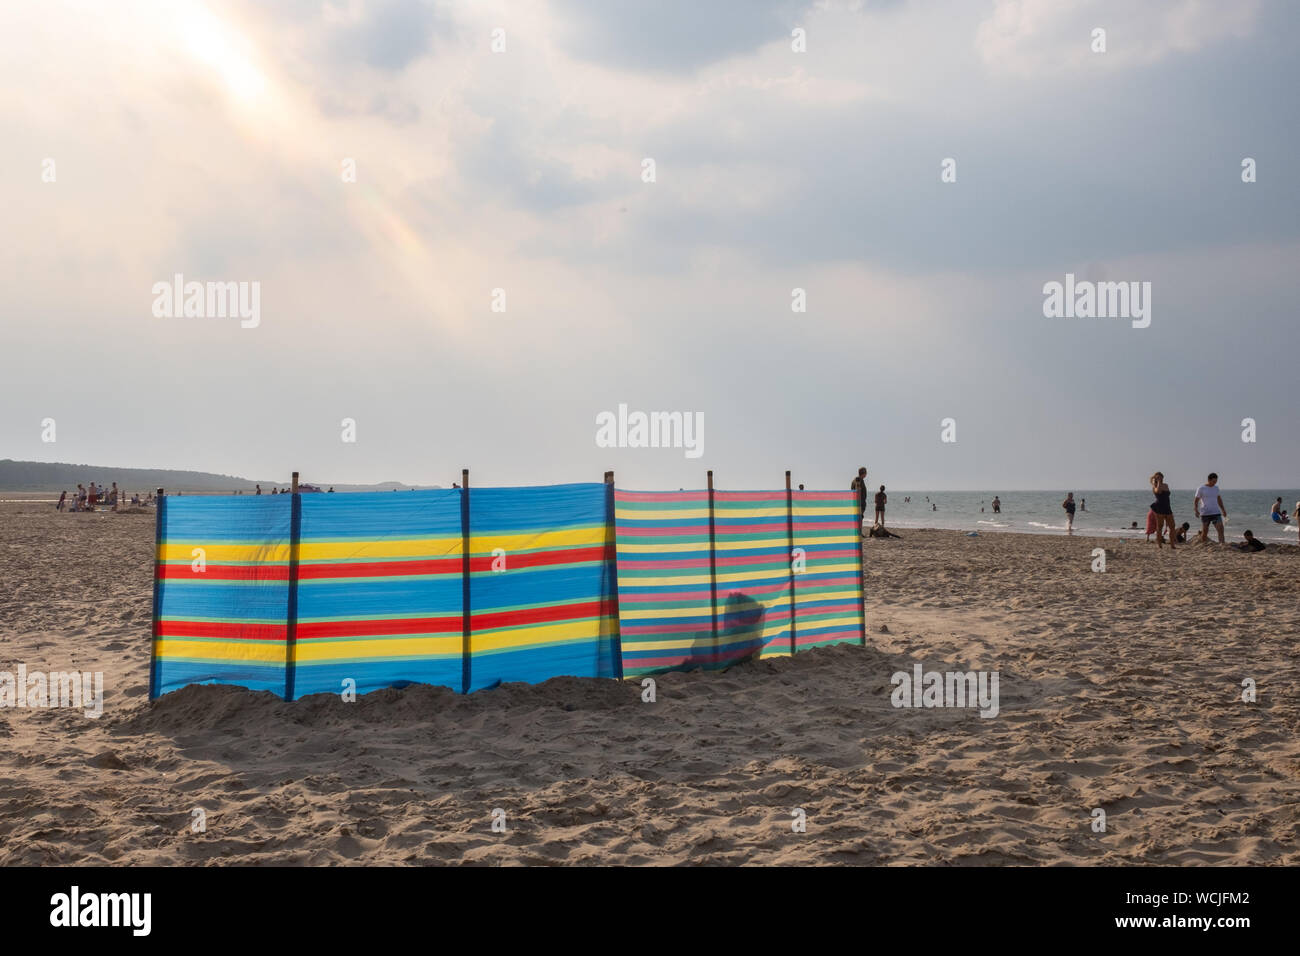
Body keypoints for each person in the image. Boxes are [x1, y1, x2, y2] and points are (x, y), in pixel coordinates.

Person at [1193, 473, 1227, 544]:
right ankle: (1203, 544)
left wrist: (1223, 510)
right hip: (1205, 513)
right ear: (1209, 480)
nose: (1215, 483)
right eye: (1213, 481)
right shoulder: (1201, 488)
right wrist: (1196, 510)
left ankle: (1222, 544)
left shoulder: (1216, 488)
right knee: (1205, 531)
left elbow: (1219, 499)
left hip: (1216, 512)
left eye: (1216, 481)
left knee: (1220, 529)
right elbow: (1196, 500)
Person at [1149, 472, 1175, 550]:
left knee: (1172, 526)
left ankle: (1172, 544)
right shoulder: (1155, 486)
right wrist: (1158, 482)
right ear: (1156, 478)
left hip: (1167, 507)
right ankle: (1160, 544)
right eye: (1158, 477)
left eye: (1161, 477)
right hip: (1159, 508)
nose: (1160, 478)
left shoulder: (1166, 485)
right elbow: (1158, 491)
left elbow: (1166, 493)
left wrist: (1160, 482)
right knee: (1160, 527)